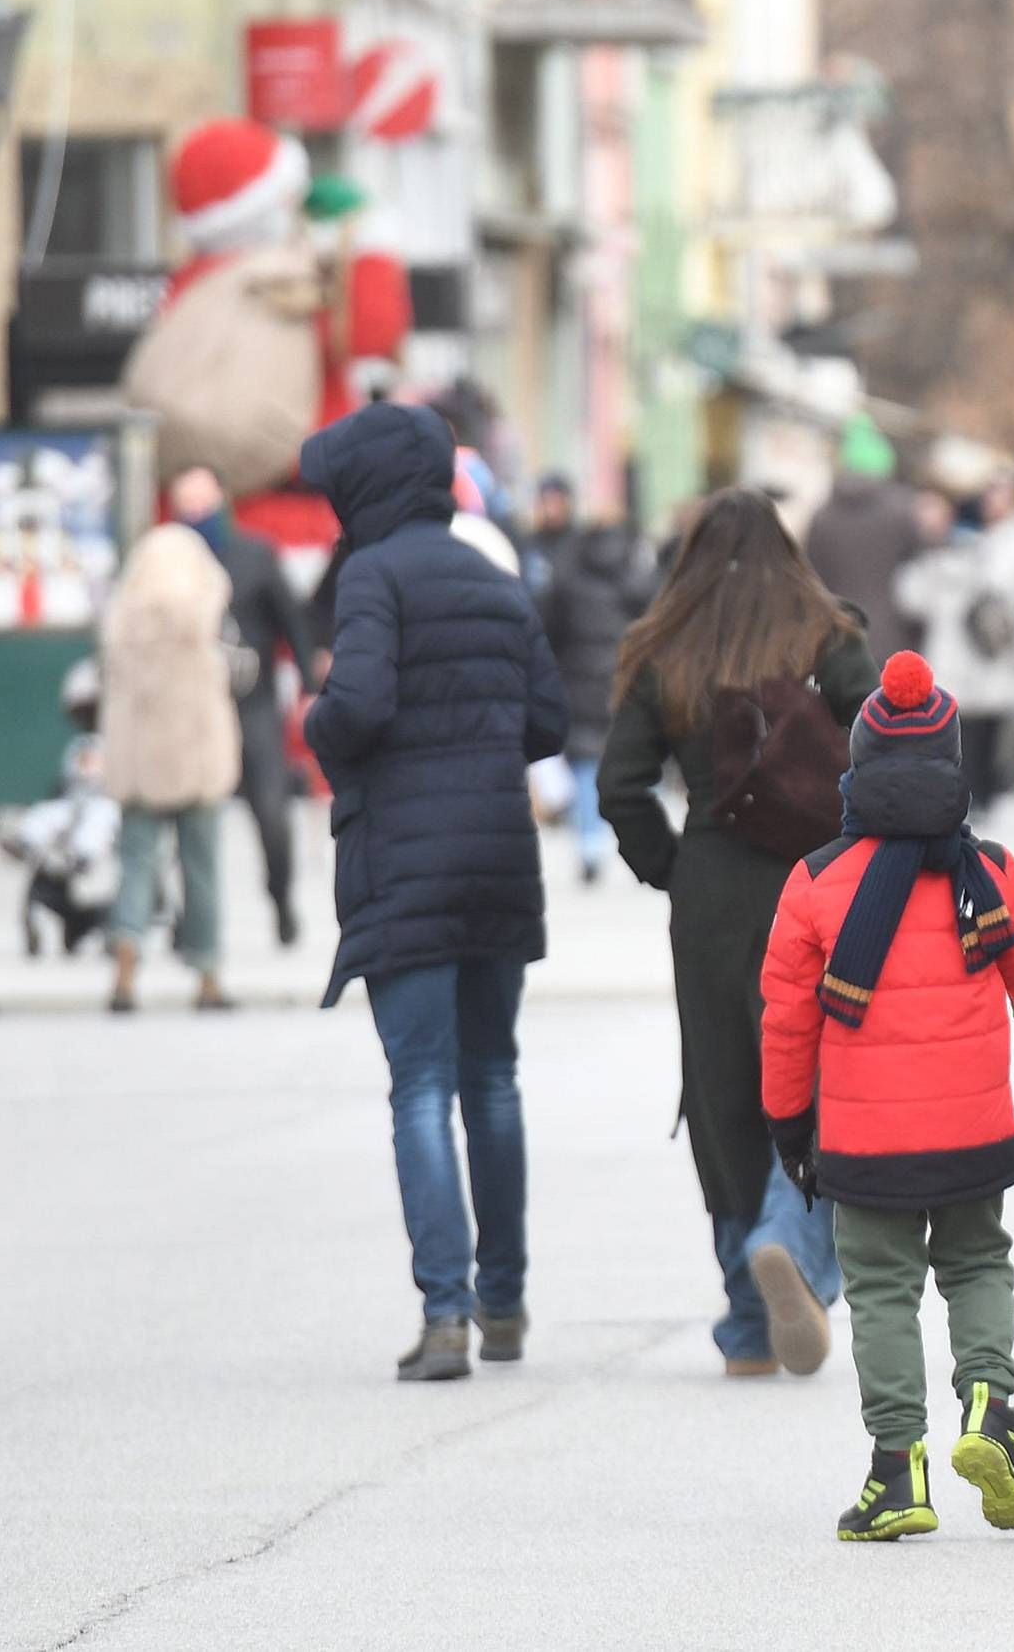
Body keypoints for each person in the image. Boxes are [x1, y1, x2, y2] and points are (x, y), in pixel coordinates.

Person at [760, 650, 1014, 1542]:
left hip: (864, 1145)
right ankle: (990, 1413)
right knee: (977, 1264)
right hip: (973, 1131)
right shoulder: (990, 871)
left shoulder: (814, 882)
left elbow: (787, 1028)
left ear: (857, 765)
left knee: (884, 1288)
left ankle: (897, 1475)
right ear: (952, 763)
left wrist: (791, 1127)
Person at [300, 402, 568, 1382]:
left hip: (406, 860)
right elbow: (548, 717)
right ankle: (504, 1303)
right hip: (496, 853)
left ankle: (445, 1314)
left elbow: (360, 702)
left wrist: (321, 719)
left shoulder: (372, 574)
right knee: (492, 1079)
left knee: (421, 1084)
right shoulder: (492, 574)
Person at [602, 489, 875, 1378]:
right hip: (815, 882)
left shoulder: (665, 647)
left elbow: (619, 786)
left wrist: (672, 866)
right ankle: (790, 1243)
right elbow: (882, 742)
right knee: (821, 1075)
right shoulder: (825, 633)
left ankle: (747, 1322)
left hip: (712, 886)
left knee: (722, 1088)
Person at [167, 463, 315, 947]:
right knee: (184, 816)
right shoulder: (166, 563)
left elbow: (293, 624)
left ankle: (281, 898)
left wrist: (312, 685)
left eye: (203, 503)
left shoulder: (255, 556)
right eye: (185, 505)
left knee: (271, 811)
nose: (195, 514)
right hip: (188, 709)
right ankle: (189, 918)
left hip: (252, 703)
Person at [100, 521, 243, 1014]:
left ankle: (125, 967)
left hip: (139, 767)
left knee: (135, 866)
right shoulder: (202, 617)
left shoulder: (123, 618)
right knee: (201, 869)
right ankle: (206, 975)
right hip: (198, 766)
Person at [896, 473, 1014, 815]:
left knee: (967, 726)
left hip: (966, 652)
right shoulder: (988, 553)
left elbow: (911, 597)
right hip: (983, 653)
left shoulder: (943, 558)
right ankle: (984, 792)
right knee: (982, 724)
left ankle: (973, 790)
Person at [536, 513, 651, 885]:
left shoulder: (568, 576)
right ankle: (633, 836)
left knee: (585, 763)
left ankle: (589, 844)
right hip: (620, 676)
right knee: (627, 759)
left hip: (578, 679)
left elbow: (549, 627)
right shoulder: (633, 574)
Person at [805, 417, 927, 663]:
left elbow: (811, 580)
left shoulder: (822, 517)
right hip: (894, 640)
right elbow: (922, 571)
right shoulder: (902, 511)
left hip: (837, 638)